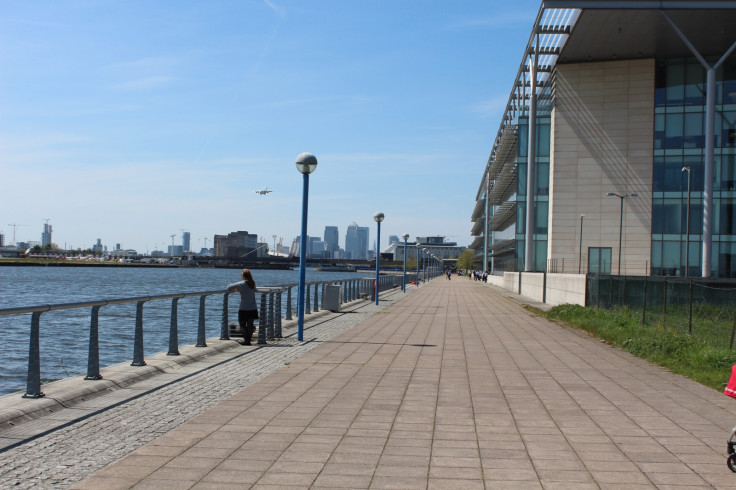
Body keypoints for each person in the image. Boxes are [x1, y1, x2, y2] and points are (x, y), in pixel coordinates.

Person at [228, 268, 259, 345]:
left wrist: (236, 290)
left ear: (243, 276)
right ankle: (248, 340)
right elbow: (254, 290)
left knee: (242, 325)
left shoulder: (241, 284)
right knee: (250, 325)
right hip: (253, 307)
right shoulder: (253, 283)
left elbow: (228, 287)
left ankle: (246, 341)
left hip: (244, 308)